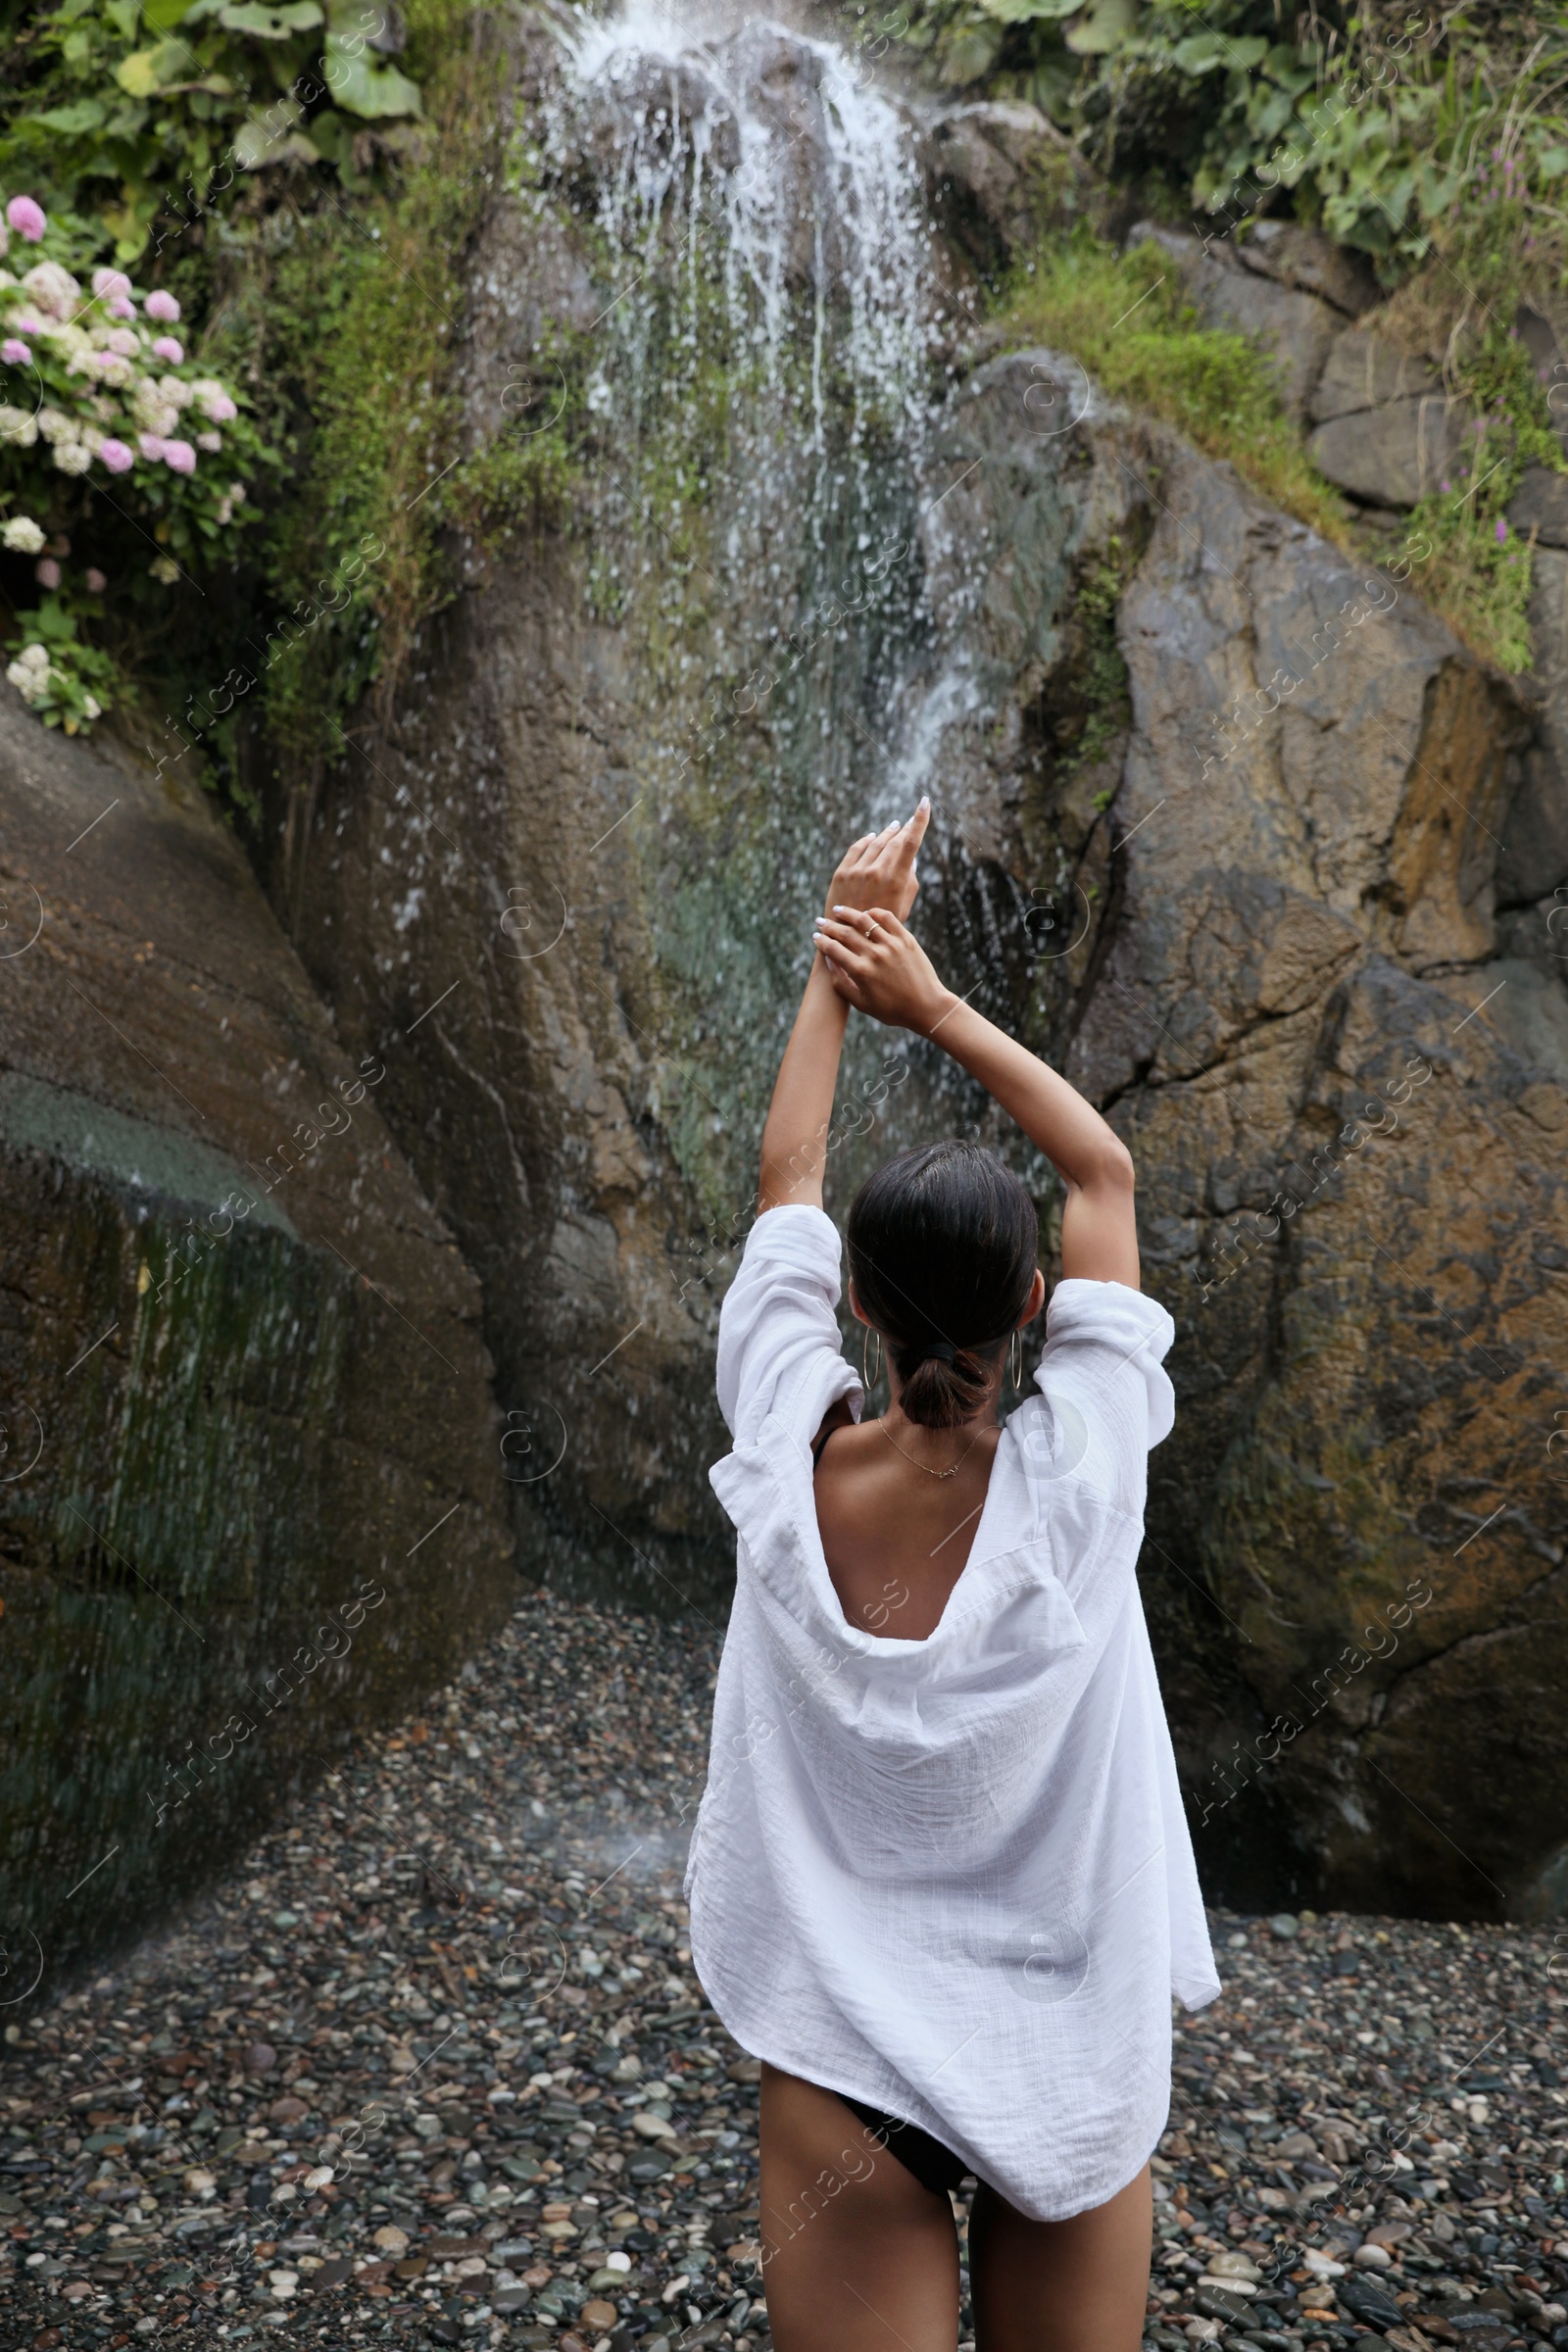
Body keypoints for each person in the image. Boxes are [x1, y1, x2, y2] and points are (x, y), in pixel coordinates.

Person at [684, 804, 1219, 2352]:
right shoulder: (1085, 1483)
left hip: (846, 2066)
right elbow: (1101, 1164)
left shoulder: (779, 1456)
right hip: (1063, 2048)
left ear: (851, 1300)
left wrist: (841, 968)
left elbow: (789, 1172)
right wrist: (935, 1001)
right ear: (1040, 1311)